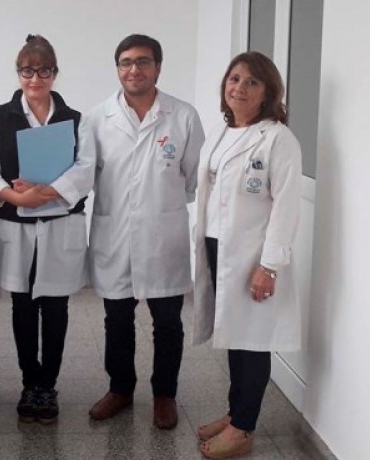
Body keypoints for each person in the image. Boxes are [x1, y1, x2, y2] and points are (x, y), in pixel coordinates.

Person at [83, 34, 204, 430]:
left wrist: (155, 204)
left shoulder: (183, 117)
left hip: (162, 239)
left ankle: (164, 394)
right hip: (114, 235)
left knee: (168, 322)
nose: (134, 69)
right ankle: (120, 389)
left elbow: (194, 180)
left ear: (158, 68)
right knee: (116, 320)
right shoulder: (97, 119)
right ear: (117, 69)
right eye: (126, 62)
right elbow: (85, 175)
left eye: (143, 61)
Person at [0, 34, 95, 425]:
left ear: (55, 74)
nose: (35, 79)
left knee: (56, 307)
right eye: (28, 71)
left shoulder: (76, 119)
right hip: (17, 225)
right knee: (23, 305)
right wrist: (16, 197)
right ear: (18, 73)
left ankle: (48, 385)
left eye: (43, 71)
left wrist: (45, 192)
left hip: (60, 224)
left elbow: (86, 169)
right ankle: (30, 383)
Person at [191, 51, 302, 459]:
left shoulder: (278, 139)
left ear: (268, 92)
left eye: (252, 82)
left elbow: (286, 207)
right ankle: (235, 411)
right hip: (217, 247)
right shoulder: (222, 132)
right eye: (234, 78)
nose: (239, 87)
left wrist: (269, 266)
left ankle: (243, 427)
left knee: (253, 341)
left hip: (253, 256)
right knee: (235, 338)